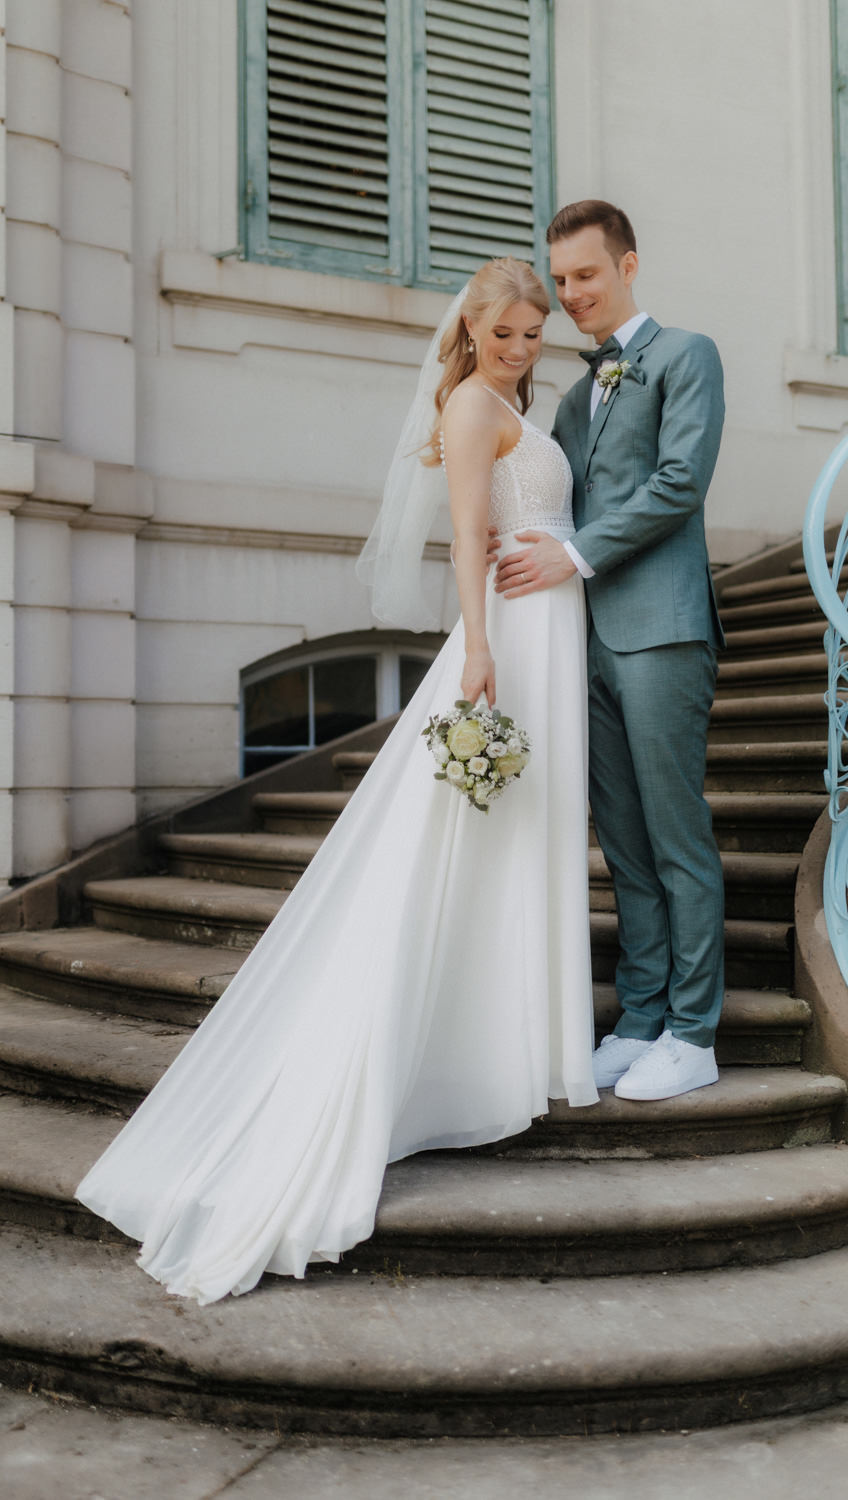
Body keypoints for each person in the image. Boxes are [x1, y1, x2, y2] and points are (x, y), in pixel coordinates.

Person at [75, 257, 599, 1305]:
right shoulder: (466, 406)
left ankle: (515, 1048)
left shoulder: (511, 402)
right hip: (509, 641)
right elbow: (466, 537)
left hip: (553, 625)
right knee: (463, 844)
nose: (519, 349)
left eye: (532, 334)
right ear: (470, 330)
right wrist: (480, 648)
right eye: (504, 334)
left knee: (524, 836)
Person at [495, 201, 726, 1103]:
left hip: (663, 626)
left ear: (629, 266)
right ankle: (639, 1019)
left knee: (676, 837)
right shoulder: (570, 395)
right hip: (582, 637)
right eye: (561, 280)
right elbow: (560, 505)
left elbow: (680, 482)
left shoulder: (686, 355)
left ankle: (695, 1032)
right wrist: (513, 545)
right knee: (624, 845)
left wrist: (575, 554)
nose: (572, 294)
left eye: (586, 275)